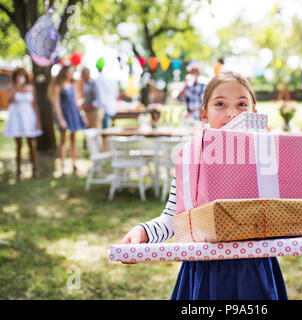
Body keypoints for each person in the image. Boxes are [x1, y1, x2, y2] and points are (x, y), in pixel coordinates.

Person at [120, 71, 288, 300]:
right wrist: (143, 232)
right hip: (205, 272)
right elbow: (174, 219)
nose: (231, 113)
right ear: (204, 114)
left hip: (256, 271)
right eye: (220, 104)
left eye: (241, 104)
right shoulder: (191, 161)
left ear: (254, 114)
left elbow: (284, 217)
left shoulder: (266, 162)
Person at [4, 67, 42, 179]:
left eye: (22, 75)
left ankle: (34, 168)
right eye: (18, 75)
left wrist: (38, 120)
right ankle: (19, 170)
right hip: (16, 119)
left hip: (29, 118)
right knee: (19, 145)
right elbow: (9, 100)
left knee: (31, 144)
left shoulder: (31, 88)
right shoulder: (11, 87)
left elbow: (34, 105)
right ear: (15, 76)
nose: (20, 77)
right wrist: (16, 88)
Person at [49, 65, 87, 175]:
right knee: (63, 140)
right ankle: (62, 165)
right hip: (64, 114)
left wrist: (82, 116)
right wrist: (61, 119)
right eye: (70, 71)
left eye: (72, 71)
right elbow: (56, 103)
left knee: (73, 139)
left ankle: (74, 163)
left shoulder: (73, 84)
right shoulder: (58, 85)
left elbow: (76, 102)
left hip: (73, 113)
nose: (71, 73)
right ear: (64, 72)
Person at [94, 58, 118, 129]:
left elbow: (100, 95)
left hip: (104, 108)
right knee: (107, 128)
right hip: (110, 106)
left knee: (105, 129)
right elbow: (116, 93)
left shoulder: (100, 79)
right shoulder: (111, 78)